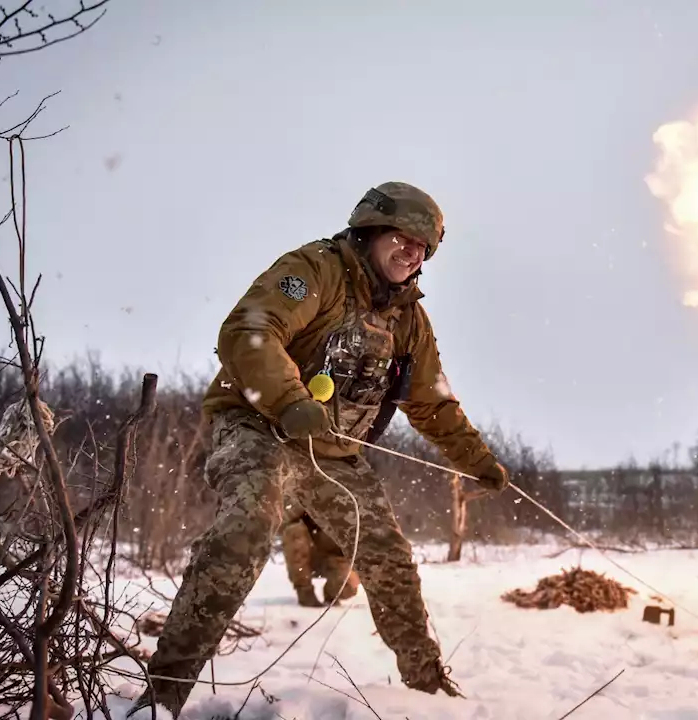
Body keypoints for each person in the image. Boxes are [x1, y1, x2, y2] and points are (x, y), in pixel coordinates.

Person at [129, 181, 511, 718]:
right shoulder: (316, 270)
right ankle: (162, 697)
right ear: (371, 231)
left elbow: (433, 403)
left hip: (333, 454)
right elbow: (249, 331)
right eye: (402, 238)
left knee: (390, 558)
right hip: (259, 426)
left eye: (422, 248)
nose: (411, 253)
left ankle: (427, 691)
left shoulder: (409, 322)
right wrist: (288, 400)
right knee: (244, 533)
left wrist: (478, 461)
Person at [280, 499, 360, 607]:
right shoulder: (311, 492)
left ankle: (331, 593)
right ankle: (304, 591)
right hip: (310, 552)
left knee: (348, 586)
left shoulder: (353, 501)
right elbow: (286, 517)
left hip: (333, 558)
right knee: (294, 532)